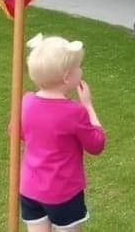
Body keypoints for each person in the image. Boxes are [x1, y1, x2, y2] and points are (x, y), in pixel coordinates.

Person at [19, 33, 106, 232]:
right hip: (63, 191)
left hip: (30, 189)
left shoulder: (26, 101)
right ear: (67, 78)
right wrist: (89, 106)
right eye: (78, 68)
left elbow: (18, 133)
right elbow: (97, 144)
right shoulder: (74, 111)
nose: (80, 71)